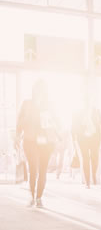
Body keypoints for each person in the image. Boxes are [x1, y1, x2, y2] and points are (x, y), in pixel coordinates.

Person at [16, 80, 60, 208]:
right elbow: (20, 120)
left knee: (42, 171)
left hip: (46, 142)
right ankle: (32, 196)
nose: (40, 93)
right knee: (33, 169)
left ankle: (39, 197)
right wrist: (18, 135)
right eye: (38, 90)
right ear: (34, 91)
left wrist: (55, 127)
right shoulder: (27, 104)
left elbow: (57, 120)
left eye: (43, 90)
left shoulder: (49, 105)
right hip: (30, 141)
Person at [72, 97, 101, 188]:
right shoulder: (78, 113)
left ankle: (93, 174)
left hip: (94, 138)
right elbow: (74, 125)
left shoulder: (96, 111)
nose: (87, 104)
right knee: (85, 158)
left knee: (95, 158)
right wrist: (75, 137)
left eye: (89, 102)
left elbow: (100, 125)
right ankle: (87, 182)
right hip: (83, 138)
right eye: (85, 102)